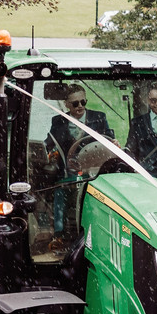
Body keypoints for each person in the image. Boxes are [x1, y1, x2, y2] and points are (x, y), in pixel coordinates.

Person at [44, 85, 114, 246]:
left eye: (83, 102)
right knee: (59, 193)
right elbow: (49, 143)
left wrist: (113, 143)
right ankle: (59, 235)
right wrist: (49, 152)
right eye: (75, 103)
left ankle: (95, 234)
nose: (80, 106)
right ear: (67, 104)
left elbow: (110, 139)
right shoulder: (58, 121)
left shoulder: (99, 118)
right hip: (68, 173)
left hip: (94, 171)